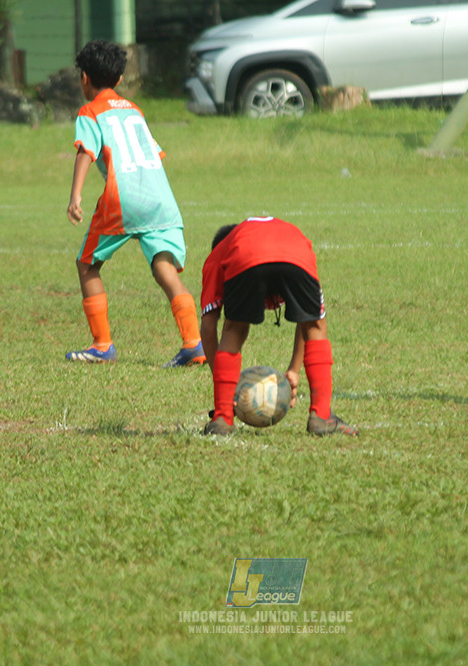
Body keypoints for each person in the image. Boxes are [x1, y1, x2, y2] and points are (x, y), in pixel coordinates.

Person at [65, 39, 204, 368]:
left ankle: (102, 345)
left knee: (87, 265)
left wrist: (75, 196)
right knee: (163, 268)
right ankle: (194, 343)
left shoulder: (89, 111)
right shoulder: (134, 110)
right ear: (118, 80)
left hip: (123, 198)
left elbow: (87, 149)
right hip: (160, 197)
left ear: (85, 78)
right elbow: (154, 153)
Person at [200, 216, 357, 436]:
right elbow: (307, 318)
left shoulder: (219, 255)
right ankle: (321, 417)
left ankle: (223, 419)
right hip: (297, 252)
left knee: (234, 329)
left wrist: (224, 392)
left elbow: (208, 327)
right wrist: (294, 370)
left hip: (246, 256)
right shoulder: (282, 233)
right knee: (315, 325)